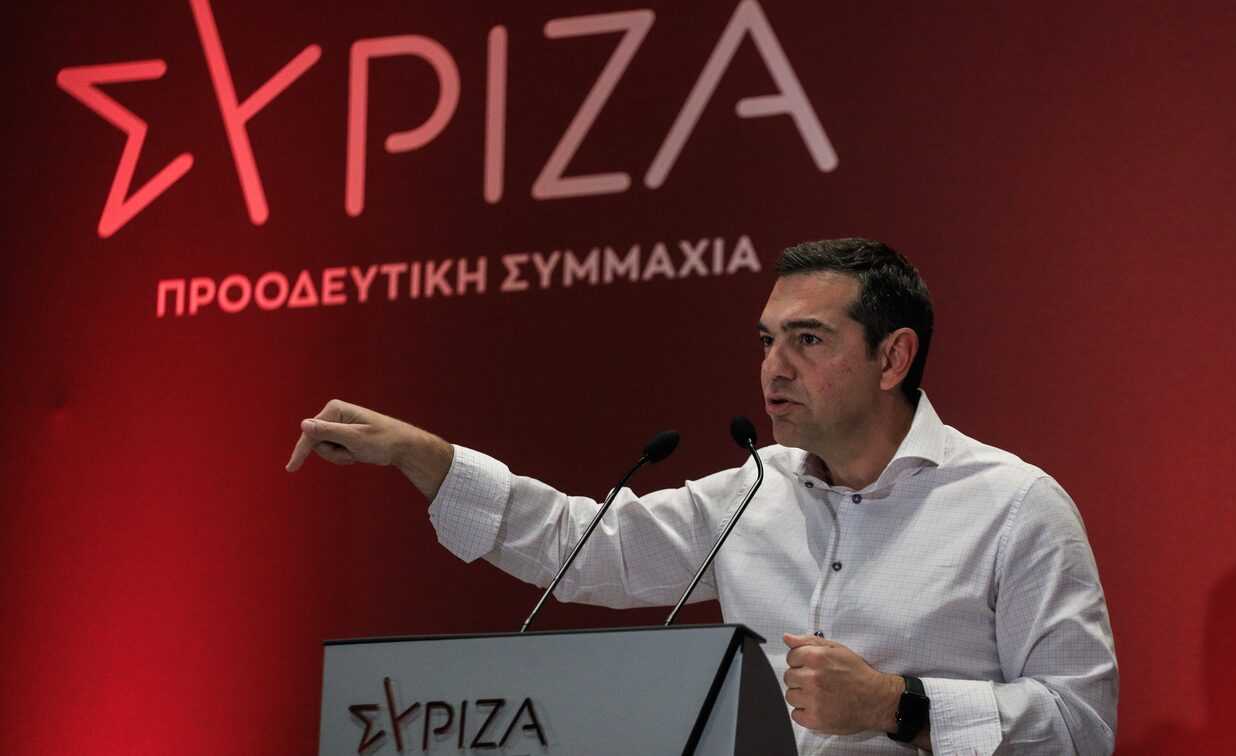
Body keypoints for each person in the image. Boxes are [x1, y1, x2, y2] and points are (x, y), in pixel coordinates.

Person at [286, 238, 1118, 755]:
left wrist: (897, 706)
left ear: (893, 358)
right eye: (767, 341)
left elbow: (1081, 725)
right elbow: (583, 550)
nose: (774, 368)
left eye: (808, 340)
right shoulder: (751, 494)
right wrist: (426, 458)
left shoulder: (1014, 507)